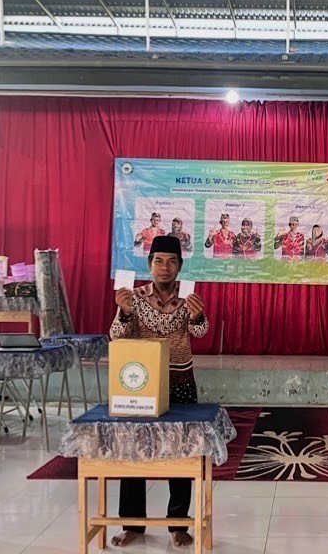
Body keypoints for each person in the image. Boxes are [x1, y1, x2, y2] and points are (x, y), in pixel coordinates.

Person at [109, 235, 208, 548]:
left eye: (172, 262)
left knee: (182, 451)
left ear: (180, 266)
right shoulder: (133, 297)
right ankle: (132, 524)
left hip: (180, 380)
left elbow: (200, 332)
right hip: (142, 382)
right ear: (149, 265)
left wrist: (198, 315)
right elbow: (115, 336)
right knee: (134, 449)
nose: (165, 267)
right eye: (159, 261)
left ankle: (178, 524)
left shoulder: (188, 297)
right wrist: (124, 313)